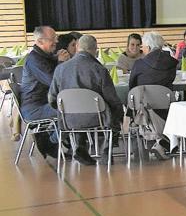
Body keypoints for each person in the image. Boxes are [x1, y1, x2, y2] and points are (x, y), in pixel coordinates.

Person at [48, 35, 123, 165]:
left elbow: (52, 98)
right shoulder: (99, 69)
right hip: (97, 117)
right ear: (95, 49)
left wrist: (64, 109)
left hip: (69, 119)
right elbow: (111, 98)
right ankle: (107, 147)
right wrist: (119, 112)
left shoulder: (60, 69)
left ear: (77, 47)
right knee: (113, 110)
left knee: (78, 111)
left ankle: (80, 146)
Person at [19, 26, 62, 160]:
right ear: (40, 41)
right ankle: (50, 141)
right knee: (70, 111)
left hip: (44, 104)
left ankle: (48, 137)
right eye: (52, 39)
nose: (56, 42)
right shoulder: (35, 60)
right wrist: (61, 63)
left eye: (56, 37)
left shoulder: (45, 57)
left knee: (70, 107)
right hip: (34, 108)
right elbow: (54, 81)